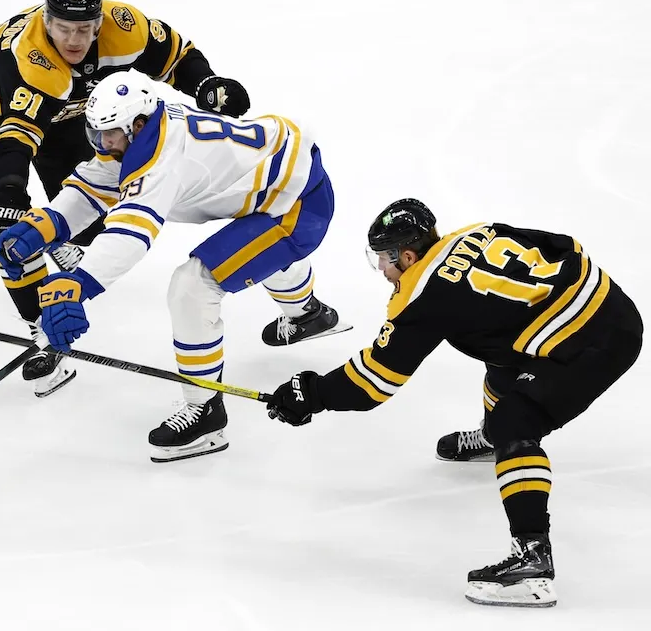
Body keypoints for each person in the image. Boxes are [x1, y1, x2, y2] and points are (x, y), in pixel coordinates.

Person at [266, 198, 643, 607]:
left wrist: (311, 393)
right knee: (498, 349)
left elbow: (374, 382)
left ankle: (533, 561)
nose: (380, 269)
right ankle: (490, 438)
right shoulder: (474, 232)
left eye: (383, 259)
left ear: (407, 256)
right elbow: (565, 245)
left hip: (597, 344)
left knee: (515, 426)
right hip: (611, 304)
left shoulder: (424, 298)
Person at [0, 70, 347, 462]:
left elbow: (130, 232)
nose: (102, 143)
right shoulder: (141, 133)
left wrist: (79, 283)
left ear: (138, 125)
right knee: (252, 255)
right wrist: (47, 223)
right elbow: (92, 187)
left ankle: (205, 411)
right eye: (96, 132)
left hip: (298, 205)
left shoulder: (160, 159)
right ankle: (309, 315)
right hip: (281, 178)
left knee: (192, 288)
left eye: (109, 134)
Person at [0, 0, 250, 397]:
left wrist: (207, 83)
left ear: (99, 23)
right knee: (6, 224)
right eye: (64, 29)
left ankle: (52, 244)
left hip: (68, 109)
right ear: (47, 21)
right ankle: (43, 335)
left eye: (85, 29)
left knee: (83, 222)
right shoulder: (27, 57)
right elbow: (15, 139)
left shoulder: (125, 26)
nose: (74, 40)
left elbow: (178, 56)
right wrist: (7, 195)